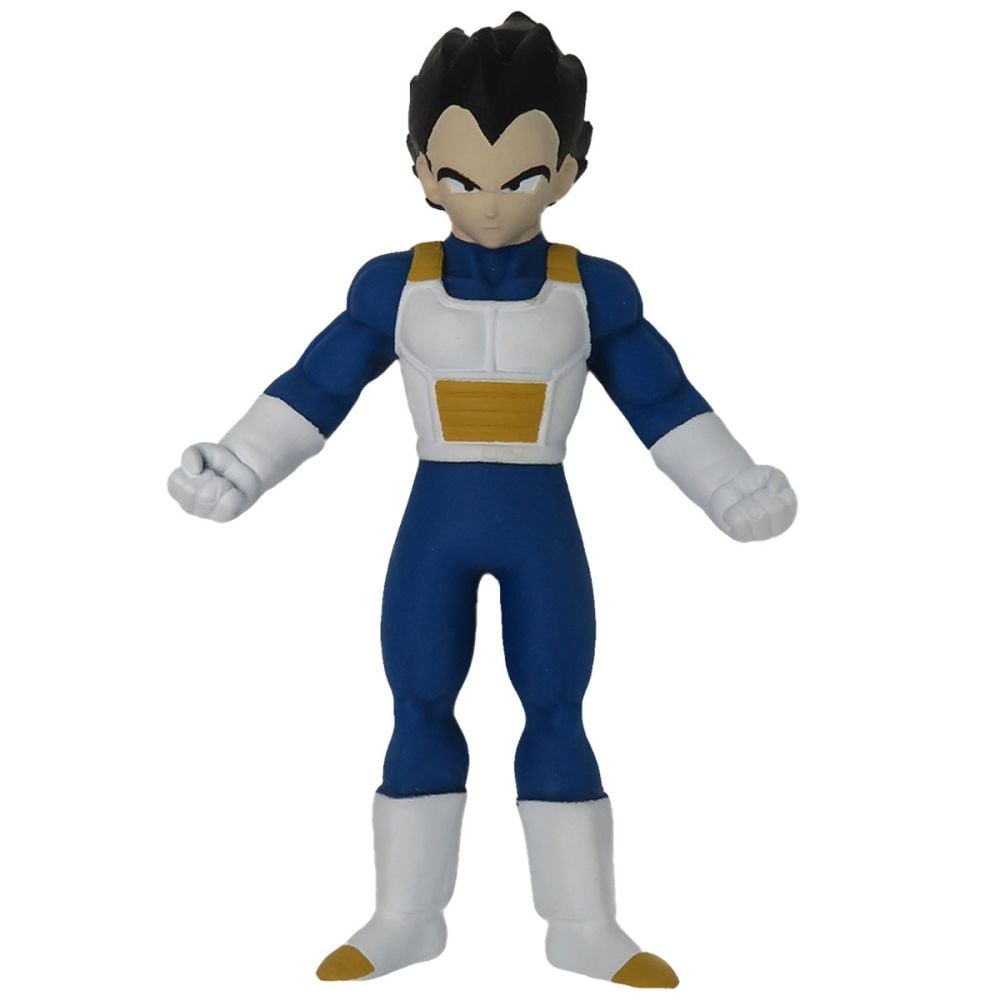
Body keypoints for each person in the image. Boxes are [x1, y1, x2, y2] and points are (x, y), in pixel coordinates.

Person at [167, 12, 797, 989]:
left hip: (540, 523)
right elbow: (317, 385)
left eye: (522, 178)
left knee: (557, 706)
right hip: (439, 522)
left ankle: (583, 924)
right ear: (422, 170)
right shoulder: (394, 285)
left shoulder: (593, 288)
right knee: (419, 698)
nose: (492, 203)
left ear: (570, 171)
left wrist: (730, 484)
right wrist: (239, 464)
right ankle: (405, 916)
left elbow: (661, 399)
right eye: (462, 179)